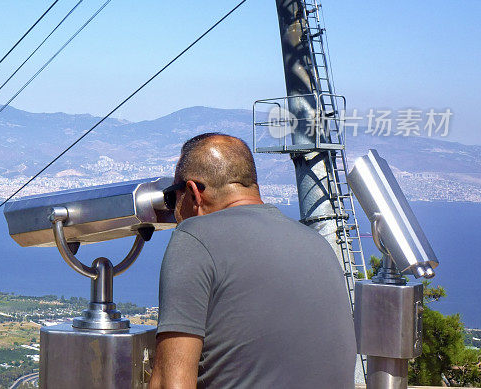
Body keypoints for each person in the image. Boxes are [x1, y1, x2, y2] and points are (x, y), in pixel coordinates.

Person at [149, 133, 356, 389]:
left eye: (172, 197)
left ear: (193, 192)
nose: (174, 211)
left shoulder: (194, 237)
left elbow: (170, 381)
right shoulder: (317, 243)